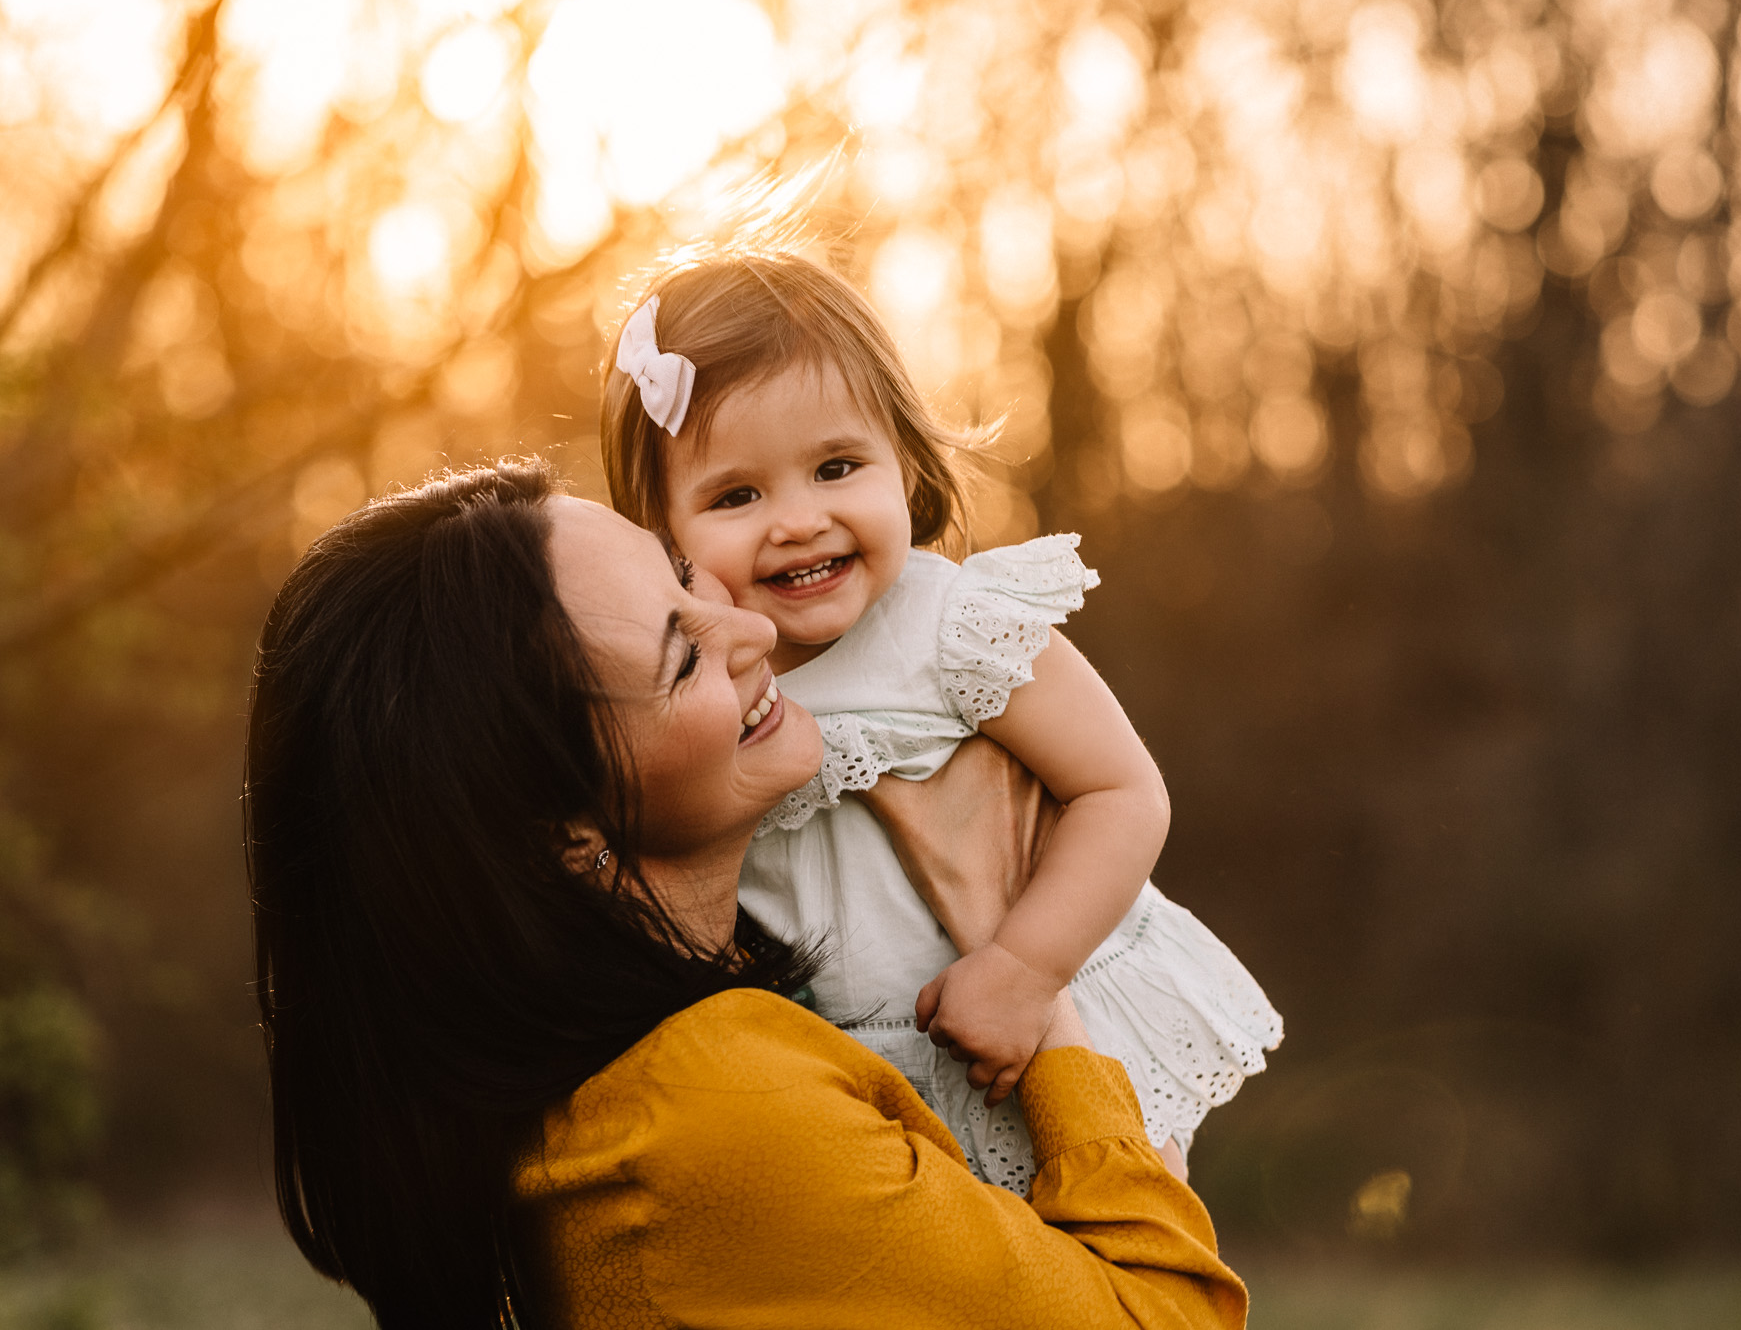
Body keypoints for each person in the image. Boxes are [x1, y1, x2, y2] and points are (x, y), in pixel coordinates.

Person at [245, 459, 1249, 1329]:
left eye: (682, 575)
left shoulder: (649, 1076)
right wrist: (1030, 968)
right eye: (683, 654)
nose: (750, 626)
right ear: (561, 834)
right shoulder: (711, 1116)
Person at [597, 249, 1282, 1191]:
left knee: (1124, 1254)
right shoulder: (686, 682)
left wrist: (1026, 966)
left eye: (836, 467)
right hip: (842, 1082)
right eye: (737, 495)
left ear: (904, 463)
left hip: (1041, 1026)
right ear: (660, 532)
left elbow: (1124, 791)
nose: (799, 521)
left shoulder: (951, 624)